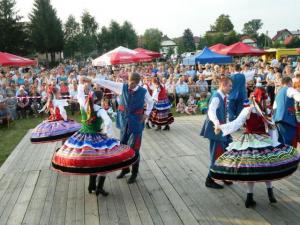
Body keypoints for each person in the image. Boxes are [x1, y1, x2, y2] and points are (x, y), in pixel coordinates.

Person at [211, 88, 300, 208]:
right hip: (262, 141)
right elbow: (271, 128)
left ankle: (250, 197)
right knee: (268, 166)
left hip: (253, 141)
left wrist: (221, 127)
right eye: (264, 98)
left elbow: (236, 124)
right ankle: (269, 194)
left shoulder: (251, 110)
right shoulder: (262, 111)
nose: (266, 100)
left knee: (251, 168)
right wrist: (275, 143)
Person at [52, 77, 137, 196]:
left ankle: (92, 185)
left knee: (93, 162)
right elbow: (107, 122)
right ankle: (99, 187)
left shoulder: (84, 104)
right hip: (96, 138)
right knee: (103, 162)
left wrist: (81, 84)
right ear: (101, 99)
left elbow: (80, 95)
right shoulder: (100, 110)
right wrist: (108, 135)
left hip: (82, 137)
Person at [96, 72, 154, 184]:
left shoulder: (143, 91)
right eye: (128, 81)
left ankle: (134, 173)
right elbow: (108, 83)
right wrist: (93, 80)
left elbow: (151, 102)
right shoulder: (123, 87)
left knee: (134, 148)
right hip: (124, 122)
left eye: (132, 83)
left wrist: (146, 113)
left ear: (137, 83)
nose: (129, 84)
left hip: (136, 123)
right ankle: (125, 169)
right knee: (123, 146)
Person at [200, 77, 233, 189]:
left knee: (226, 152)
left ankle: (223, 175)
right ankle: (209, 179)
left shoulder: (223, 97)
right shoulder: (216, 97)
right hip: (216, 130)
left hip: (223, 129)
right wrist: (217, 124)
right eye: (229, 86)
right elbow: (211, 112)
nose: (231, 88)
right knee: (217, 154)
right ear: (223, 85)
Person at [273, 77, 300, 147]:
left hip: (277, 120)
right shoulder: (290, 89)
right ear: (290, 82)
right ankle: (291, 157)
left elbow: (274, 108)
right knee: (289, 142)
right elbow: (298, 97)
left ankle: (283, 157)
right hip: (287, 119)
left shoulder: (278, 93)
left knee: (282, 143)